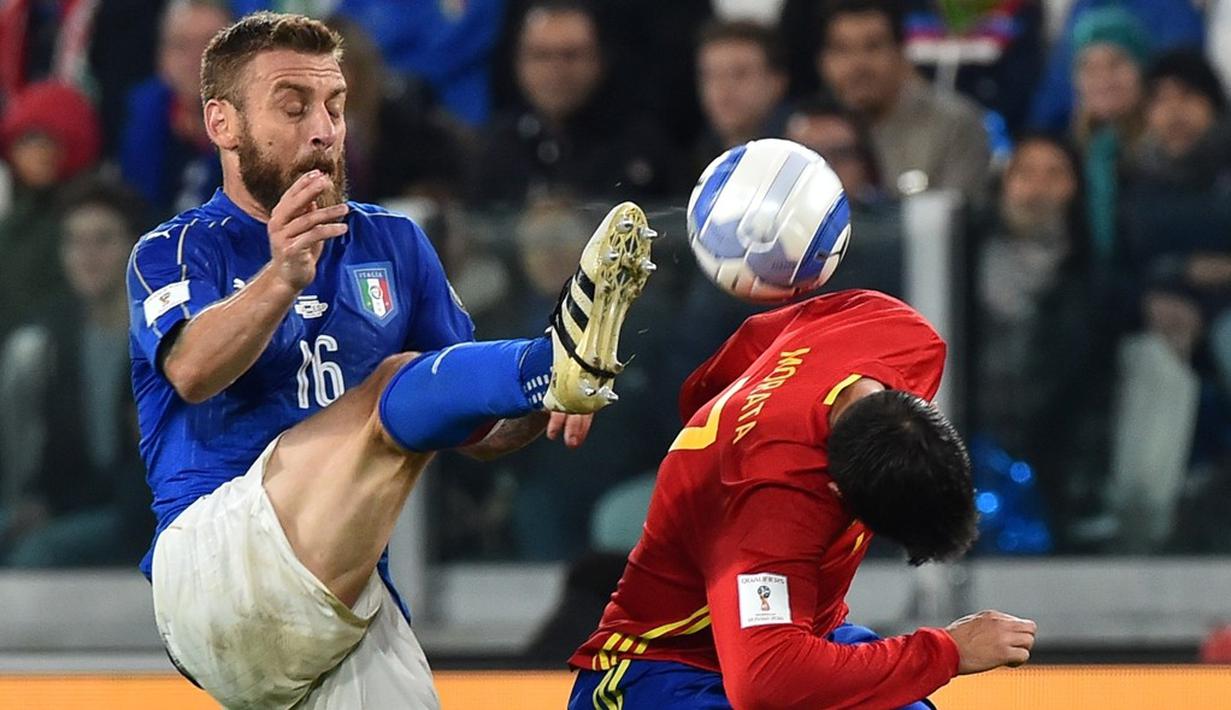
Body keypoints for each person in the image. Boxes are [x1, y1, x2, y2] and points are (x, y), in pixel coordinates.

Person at [127, 12, 656, 708]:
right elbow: (192, 371)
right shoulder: (174, 250)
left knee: (415, 394)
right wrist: (281, 277)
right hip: (214, 565)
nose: (324, 129)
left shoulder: (394, 246)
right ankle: (550, 356)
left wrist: (532, 404)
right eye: (293, 106)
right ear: (223, 124)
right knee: (386, 386)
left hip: (340, 597)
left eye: (336, 105)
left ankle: (553, 370)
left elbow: (474, 430)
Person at [569, 290, 1036, 709]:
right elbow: (766, 682)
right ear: (834, 490)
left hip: (801, 631)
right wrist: (948, 651)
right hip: (659, 671)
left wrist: (730, 419)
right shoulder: (771, 503)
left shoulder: (899, 333)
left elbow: (758, 338)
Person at [0, 177, 152, 567]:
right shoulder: (49, 340)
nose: (86, 256)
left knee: (38, 555)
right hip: (65, 505)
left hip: (137, 516)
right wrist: (34, 501)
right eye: (74, 241)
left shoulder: (157, 340)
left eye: (102, 240)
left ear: (133, 246)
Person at [817, 0, 989, 201]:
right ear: (823, 62)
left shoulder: (954, 125)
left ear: (901, 53)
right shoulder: (806, 132)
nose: (857, 65)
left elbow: (958, 221)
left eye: (873, 47)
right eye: (842, 49)